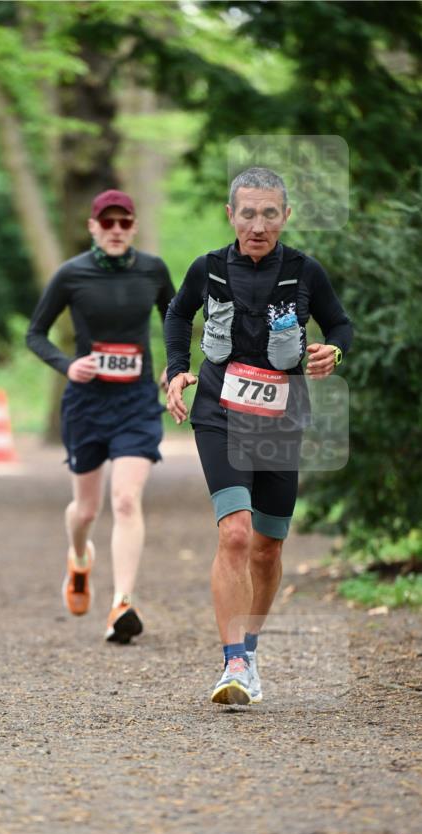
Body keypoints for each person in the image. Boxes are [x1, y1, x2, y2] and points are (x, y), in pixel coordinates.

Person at [164, 166, 352, 704]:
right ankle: (234, 664)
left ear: (285, 216)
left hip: (280, 420)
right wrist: (177, 367)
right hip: (219, 413)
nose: (258, 223)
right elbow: (178, 315)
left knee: (267, 548)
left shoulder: (305, 272)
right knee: (237, 534)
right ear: (231, 215)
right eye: (248, 212)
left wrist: (333, 350)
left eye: (270, 212)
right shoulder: (208, 269)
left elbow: (340, 325)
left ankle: (250, 645)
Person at [26, 189, 175, 643]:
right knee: (86, 510)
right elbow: (35, 334)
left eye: (123, 223)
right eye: (106, 223)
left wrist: (176, 365)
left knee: (126, 500)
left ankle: (121, 604)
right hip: (87, 404)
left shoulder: (153, 270)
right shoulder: (72, 274)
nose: (115, 230)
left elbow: (176, 318)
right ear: (92, 226)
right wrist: (67, 365)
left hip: (135, 404)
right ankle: (78, 556)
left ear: (133, 227)